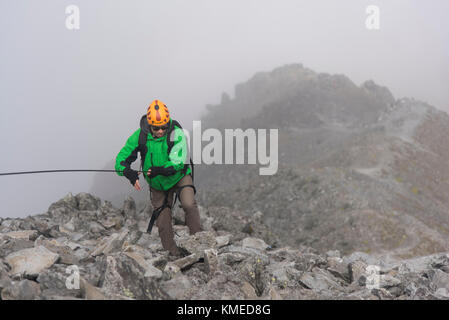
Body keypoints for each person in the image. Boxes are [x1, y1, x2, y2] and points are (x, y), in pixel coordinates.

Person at [115, 99, 203, 256]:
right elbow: (121, 160)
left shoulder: (176, 132)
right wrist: (128, 172)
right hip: (157, 184)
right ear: (149, 125)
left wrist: (159, 169)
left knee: (189, 204)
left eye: (164, 127)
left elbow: (178, 162)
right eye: (156, 128)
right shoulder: (140, 136)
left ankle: (200, 245)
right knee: (162, 219)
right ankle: (172, 254)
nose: (161, 131)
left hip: (179, 176)